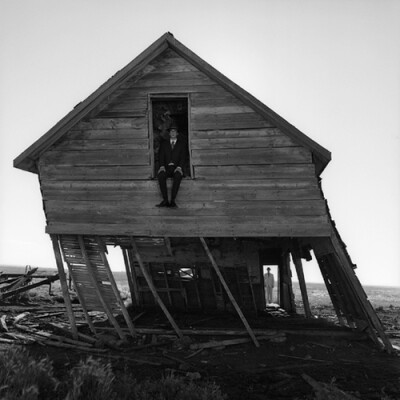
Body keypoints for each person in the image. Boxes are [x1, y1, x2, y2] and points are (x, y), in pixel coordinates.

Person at [156, 123, 186, 208]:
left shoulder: (181, 144)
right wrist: (161, 166)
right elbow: (160, 156)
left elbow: (183, 157)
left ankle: (172, 200)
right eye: (171, 131)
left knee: (178, 176)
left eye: (174, 131)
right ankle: (165, 200)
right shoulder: (164, 144)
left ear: (177, 133)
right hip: (166, 167)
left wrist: (179, 167)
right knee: (161, 175)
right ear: (169, 133)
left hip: (176, 168)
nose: (173, 133)